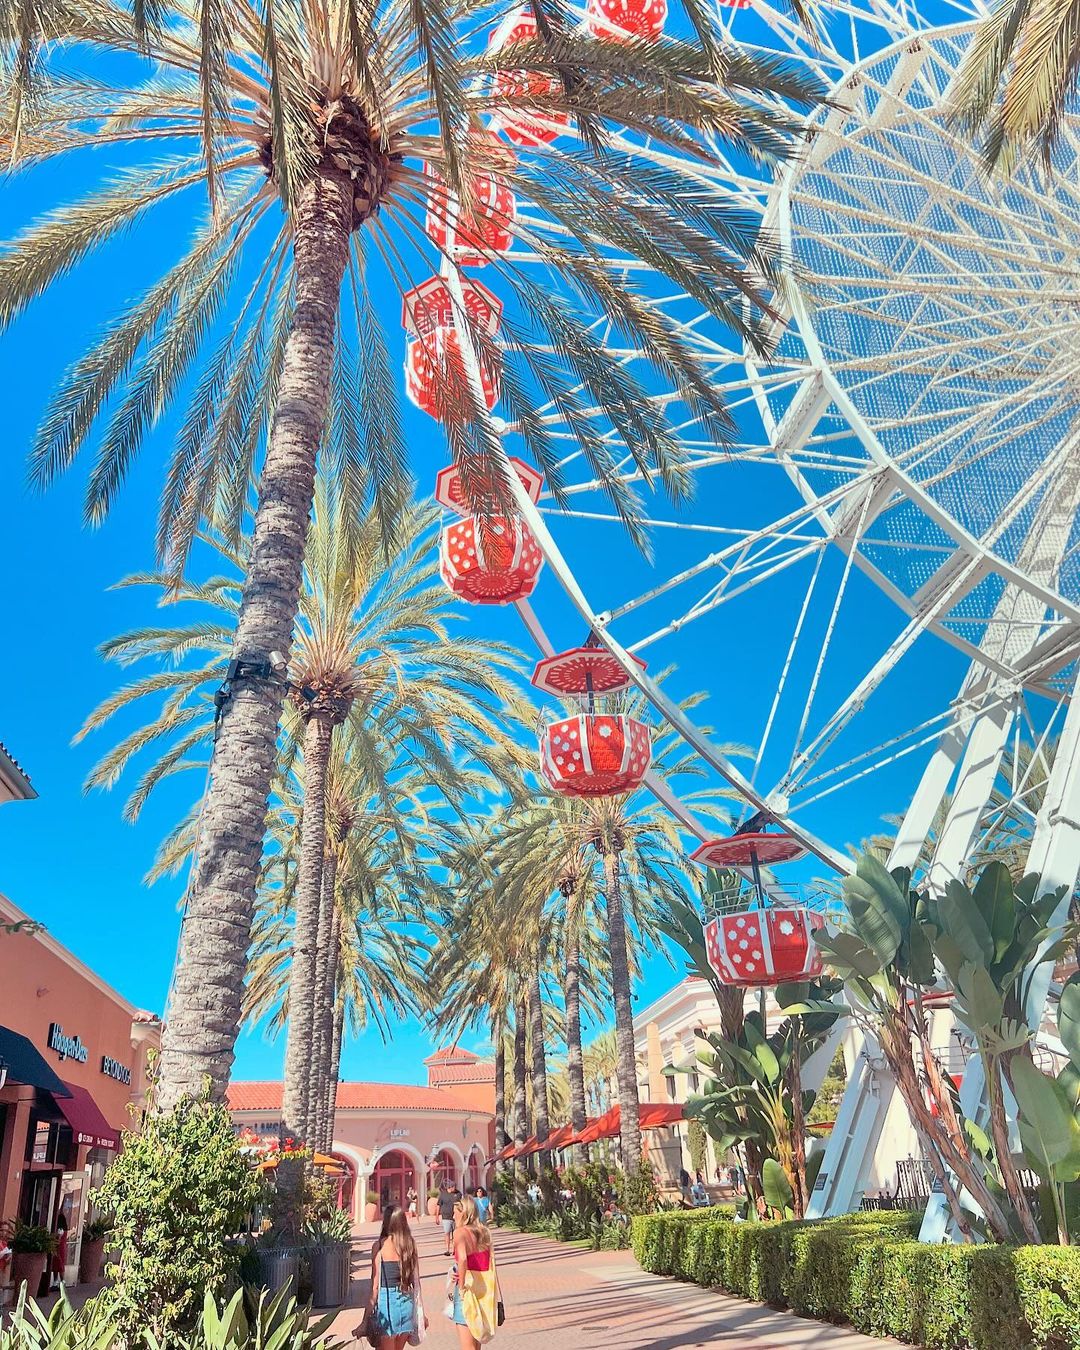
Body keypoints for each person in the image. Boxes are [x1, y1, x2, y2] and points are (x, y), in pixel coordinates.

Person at [356, 1206, 427, 1350]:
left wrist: (365, 1320)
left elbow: (375, 1287)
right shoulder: (410, 1245)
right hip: (407, 1304)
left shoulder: (379, 1247)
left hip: (387, 1305)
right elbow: (416, 1283)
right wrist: (422, 1314)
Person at [451, 1195, 501, 1348]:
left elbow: (463, 1259)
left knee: (468, 1346)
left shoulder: (460, 1233)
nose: (453, 1216)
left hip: (468, 1290)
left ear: (464, 1213)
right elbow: (487, 1262)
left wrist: (461, 1286)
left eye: (455, 1213)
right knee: (477, 1343)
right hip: (484, 1290)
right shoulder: (484, 1232)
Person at [439, 1181, 462, 1257]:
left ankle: (454, 1250)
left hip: (456, 1217)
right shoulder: (443, 1195)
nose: (454, 1188)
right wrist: (436, 1217)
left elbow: (461, 1204)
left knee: (455, 1234)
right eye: (453, 1186)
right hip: (446, 1217)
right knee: (447, 1233)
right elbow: (438, 1205)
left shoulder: (458, 1194)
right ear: (449, 1187)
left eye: (455, 1186)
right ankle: (447, 1249)